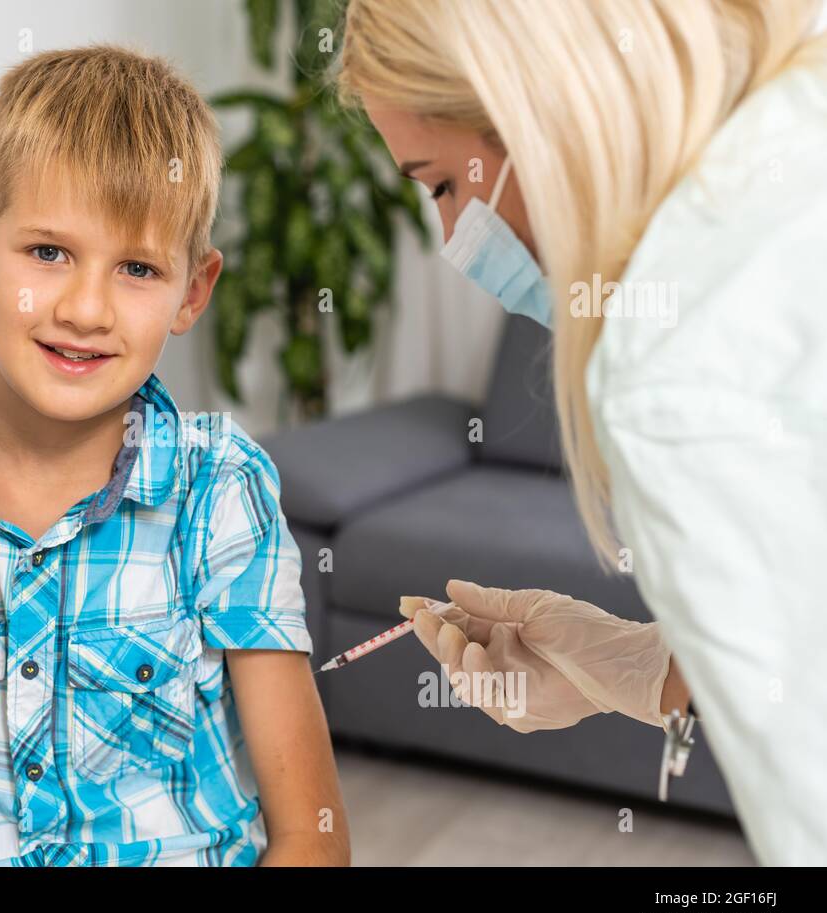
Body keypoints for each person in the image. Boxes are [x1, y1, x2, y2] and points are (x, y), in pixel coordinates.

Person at [0, 45, 349, 867]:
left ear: (193, 292)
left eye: (138, 268)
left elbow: (312, 835)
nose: (85, 308)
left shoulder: (220, 490)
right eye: (48, 253)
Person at [337, 0, 827, 864]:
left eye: (444, 184)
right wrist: (636, 665)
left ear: (534, 102)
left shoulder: (674, 362)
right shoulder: (793, 128)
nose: (455, 238)